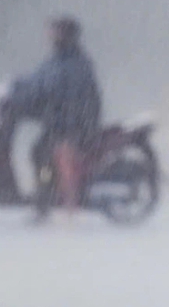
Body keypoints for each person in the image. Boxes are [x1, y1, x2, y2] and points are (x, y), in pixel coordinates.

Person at [9, 16, 103, 218]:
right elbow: (37, 79)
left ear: (67, 35)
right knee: (39, 152)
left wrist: (38, 99)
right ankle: (47, 195)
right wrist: (14, 86)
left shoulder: (74, 63)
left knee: (42, 154)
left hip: (72, 125)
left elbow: (55, 89)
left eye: (56, 32)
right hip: (61, 123)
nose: (51, 36)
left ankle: (46, 200)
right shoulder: (60, 59)